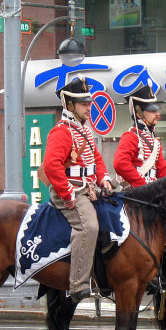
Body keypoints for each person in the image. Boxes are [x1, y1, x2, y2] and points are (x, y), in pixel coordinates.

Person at [43, 74, 113, 303]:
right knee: (88, 227)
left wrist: (103, 178)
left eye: (89, 103)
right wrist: (68, 194)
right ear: (70, 105)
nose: (89, 107)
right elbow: (51, 166)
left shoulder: (85, 130)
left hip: (88, 188)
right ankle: (78, 285)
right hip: (70, 190)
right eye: (84, 104)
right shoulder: (61, 131)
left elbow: (97, 160)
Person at [113, 79, 166, 188]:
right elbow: (120, 163)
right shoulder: (131, 136)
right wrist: (142, 184)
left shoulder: (155, 141)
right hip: (135, 191)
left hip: (152, 190)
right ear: (139, 113)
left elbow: (163, 169)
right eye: (152, 111)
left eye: (156, 110)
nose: (157, 114)